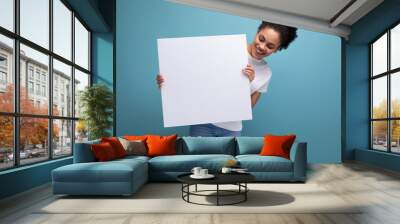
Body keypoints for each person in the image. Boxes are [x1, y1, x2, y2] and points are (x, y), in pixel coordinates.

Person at [156, 21, 297, 137]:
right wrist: (169, 82)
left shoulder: (266, 73)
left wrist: (249, 82)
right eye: (261, 39)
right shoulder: (228, 47)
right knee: (198, 168)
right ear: (257, 32)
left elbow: (248, 108)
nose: (262, 47)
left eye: (270, 46)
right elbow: (197, 75)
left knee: (227, 170)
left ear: (277, 49)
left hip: (232, 130)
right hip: (203, 123)